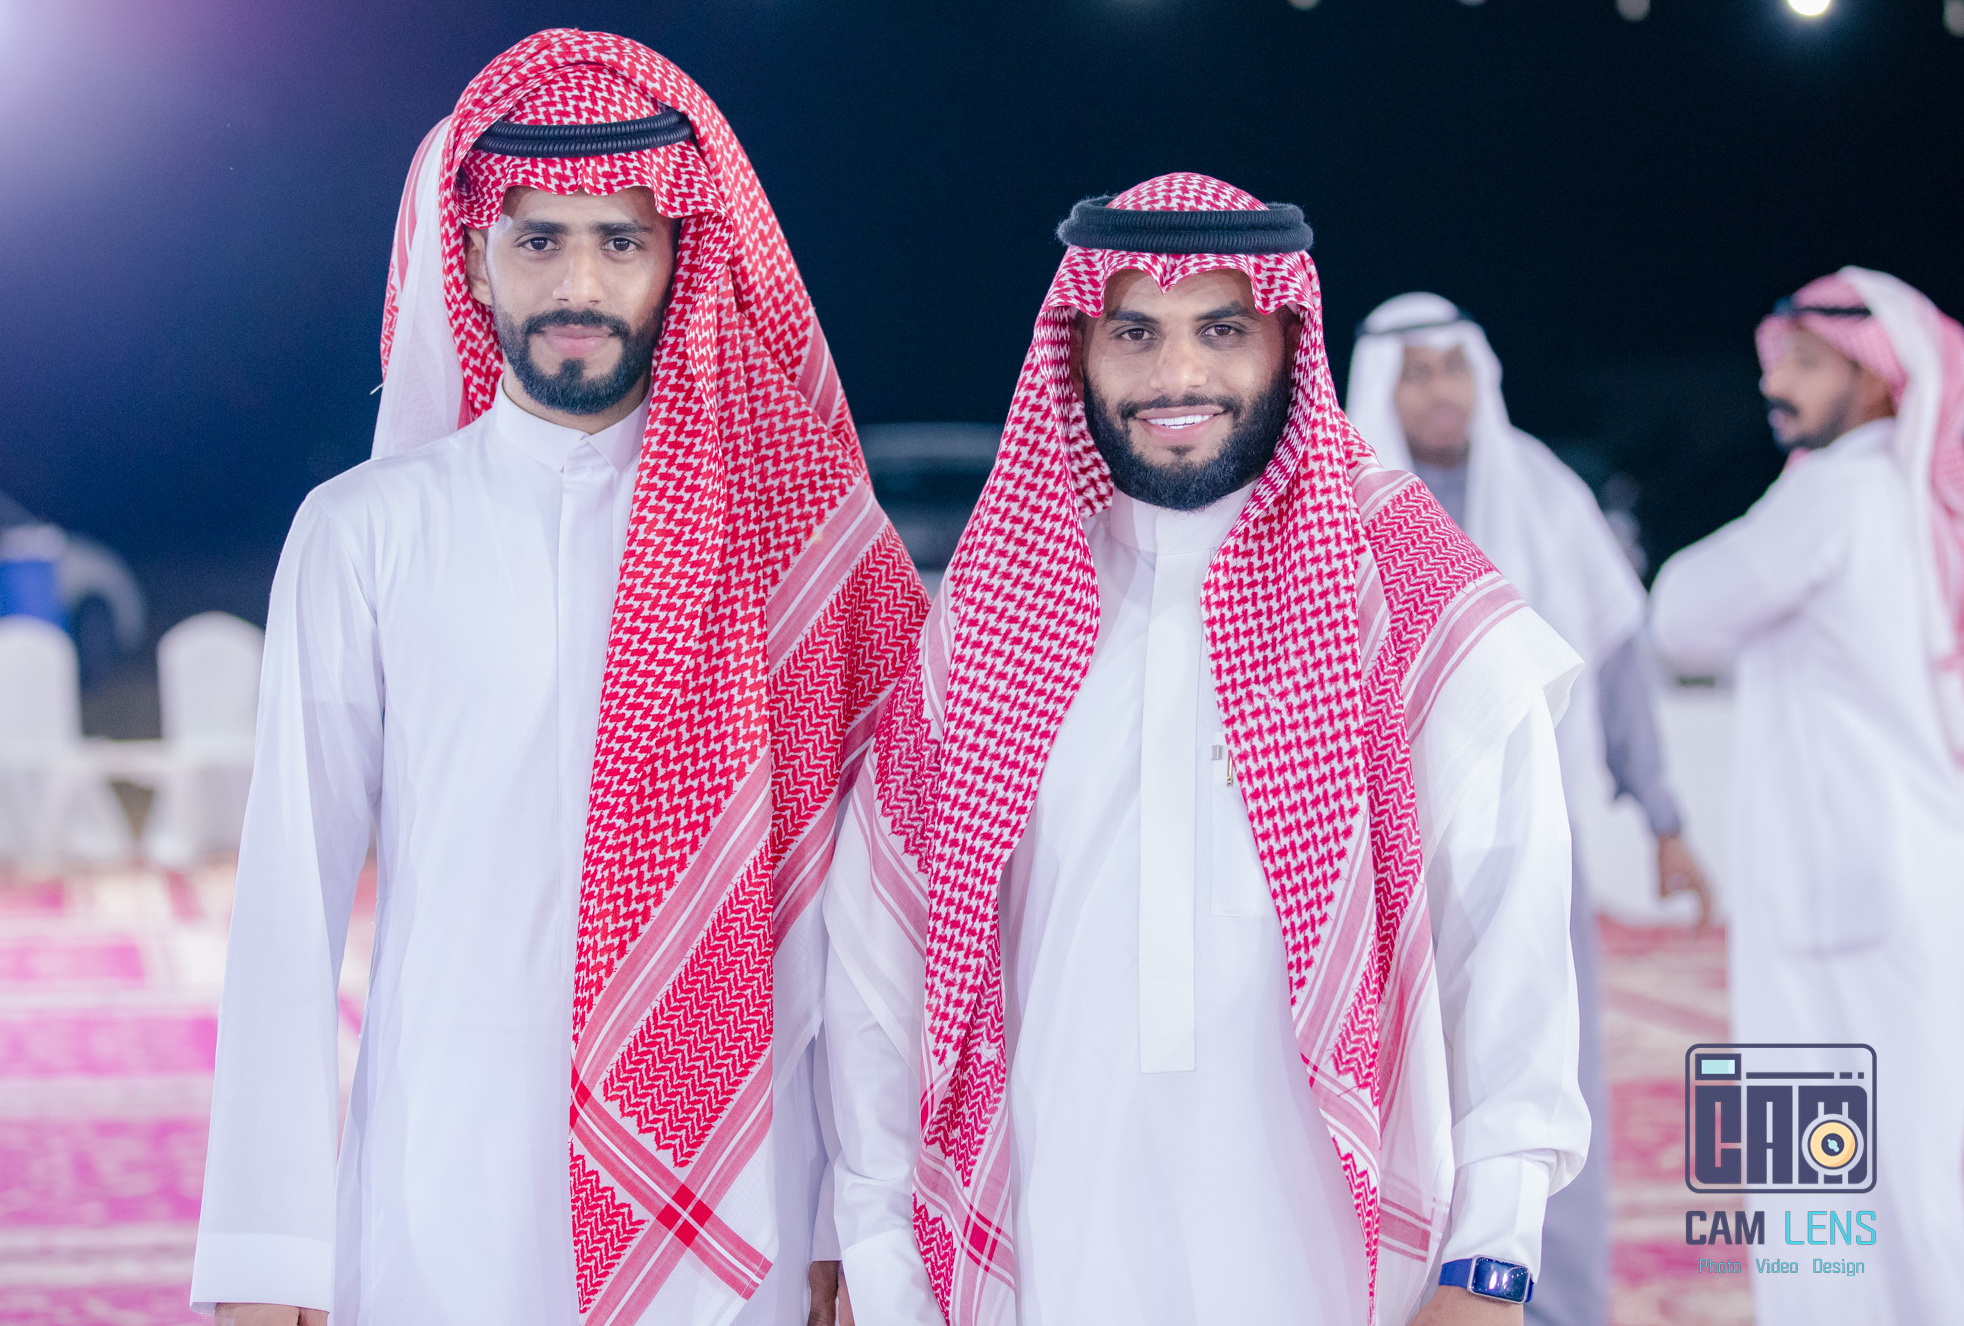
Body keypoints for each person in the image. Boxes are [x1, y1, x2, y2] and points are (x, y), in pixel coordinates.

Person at [190, 30, 925, 1326]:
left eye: (620, 241)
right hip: (442, 1176)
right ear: (474, 258)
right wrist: (269, 1252)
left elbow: (868, 917)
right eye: (539, 240)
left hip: (741, 1198)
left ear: (681, 258)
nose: (578, 283)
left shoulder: (799, 542)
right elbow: (290, 899)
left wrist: (849, 1222)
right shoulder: (366, 529)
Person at [820, 175, 1589, 1326]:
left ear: (1286, 343)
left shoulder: (1411, 605)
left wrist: (1490, 1258)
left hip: (1342, 1266)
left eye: (1221, 330)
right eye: (1133, 333)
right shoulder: (991, 620)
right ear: (1077, 352)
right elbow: (880, 966)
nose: (1175, 374)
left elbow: (1507, 941)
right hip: (1054, 1251)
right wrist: (882, 1256)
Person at [1345, 293, 1714, 1326]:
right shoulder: (1334, 508)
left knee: (1542, 1080)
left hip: (1531, 844)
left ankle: (1555, 1303)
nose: (1438, 391)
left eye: (1451, 367)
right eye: (1414, 372)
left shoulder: (1547, 495)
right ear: (1378, 387)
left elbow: (1618, 662)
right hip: (1377, 852)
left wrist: (1663, 817)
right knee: (1395, 1085)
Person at [1650, 268, 1964, 1326]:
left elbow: (1679, 612)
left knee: (1826, 1189)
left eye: (1807, 365)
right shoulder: (1906, 498)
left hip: (1835, 901)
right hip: (1899, 880)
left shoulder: (1836, 494)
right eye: (1777, 360)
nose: (1774, 384)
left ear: (1875, 381)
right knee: (1910, 1162)